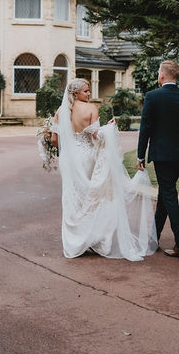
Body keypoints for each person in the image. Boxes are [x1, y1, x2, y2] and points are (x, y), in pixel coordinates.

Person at [49, 78, 158, 260]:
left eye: (89, 90)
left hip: (68, 160)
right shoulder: (91, 109)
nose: (89, 94)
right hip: (87, 158)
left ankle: (74, 243)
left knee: (72, 198)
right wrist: (110, 128)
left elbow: (54, 140)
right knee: (91, 197)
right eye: (86, 91)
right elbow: (97, 137)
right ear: (76, 93)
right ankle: (94, 238)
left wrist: (69, 146)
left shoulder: (61, 111)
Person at [137, 60, 179, 259]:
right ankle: (152, 239)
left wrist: (140, 155)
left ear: (162, 76)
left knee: (168, 193)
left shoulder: (152, 97)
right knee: (166, 193)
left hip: (161, 154)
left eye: (158, 73)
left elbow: (145, 129)